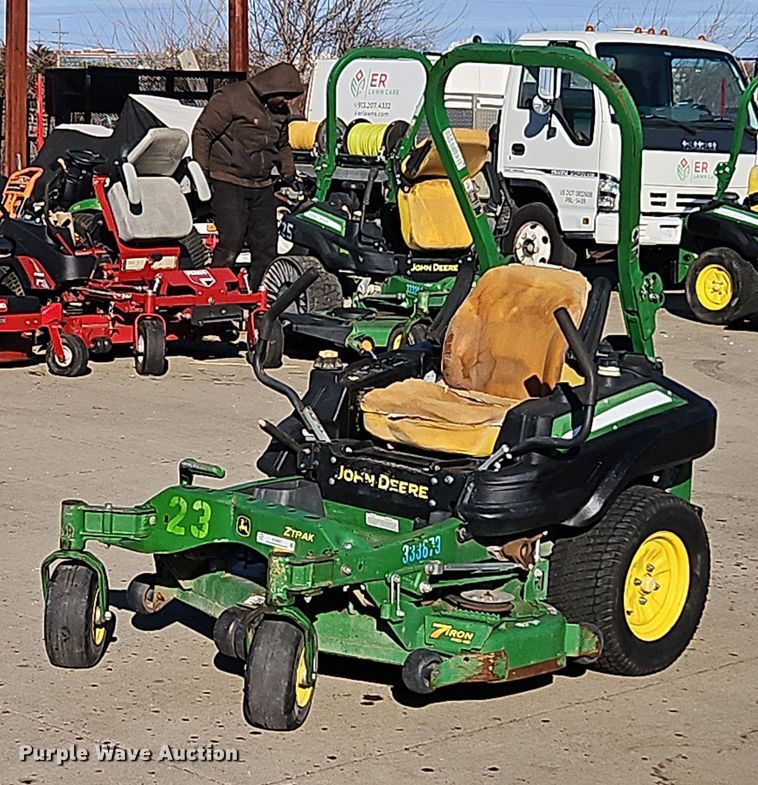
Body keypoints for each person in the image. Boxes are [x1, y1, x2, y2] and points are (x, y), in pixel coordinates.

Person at [192, 63, 304, 288]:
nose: (285, 102)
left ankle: (259, 295)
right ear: (270, 89)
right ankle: (217, 293)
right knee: (231, 241)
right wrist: (201, 173)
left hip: (262, 183)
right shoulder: (232, 98)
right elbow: (203, 132)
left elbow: (282, 145)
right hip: (227, 179)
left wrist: (290, 174)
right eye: (284, 96)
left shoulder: (279, 113)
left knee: (266, 245)